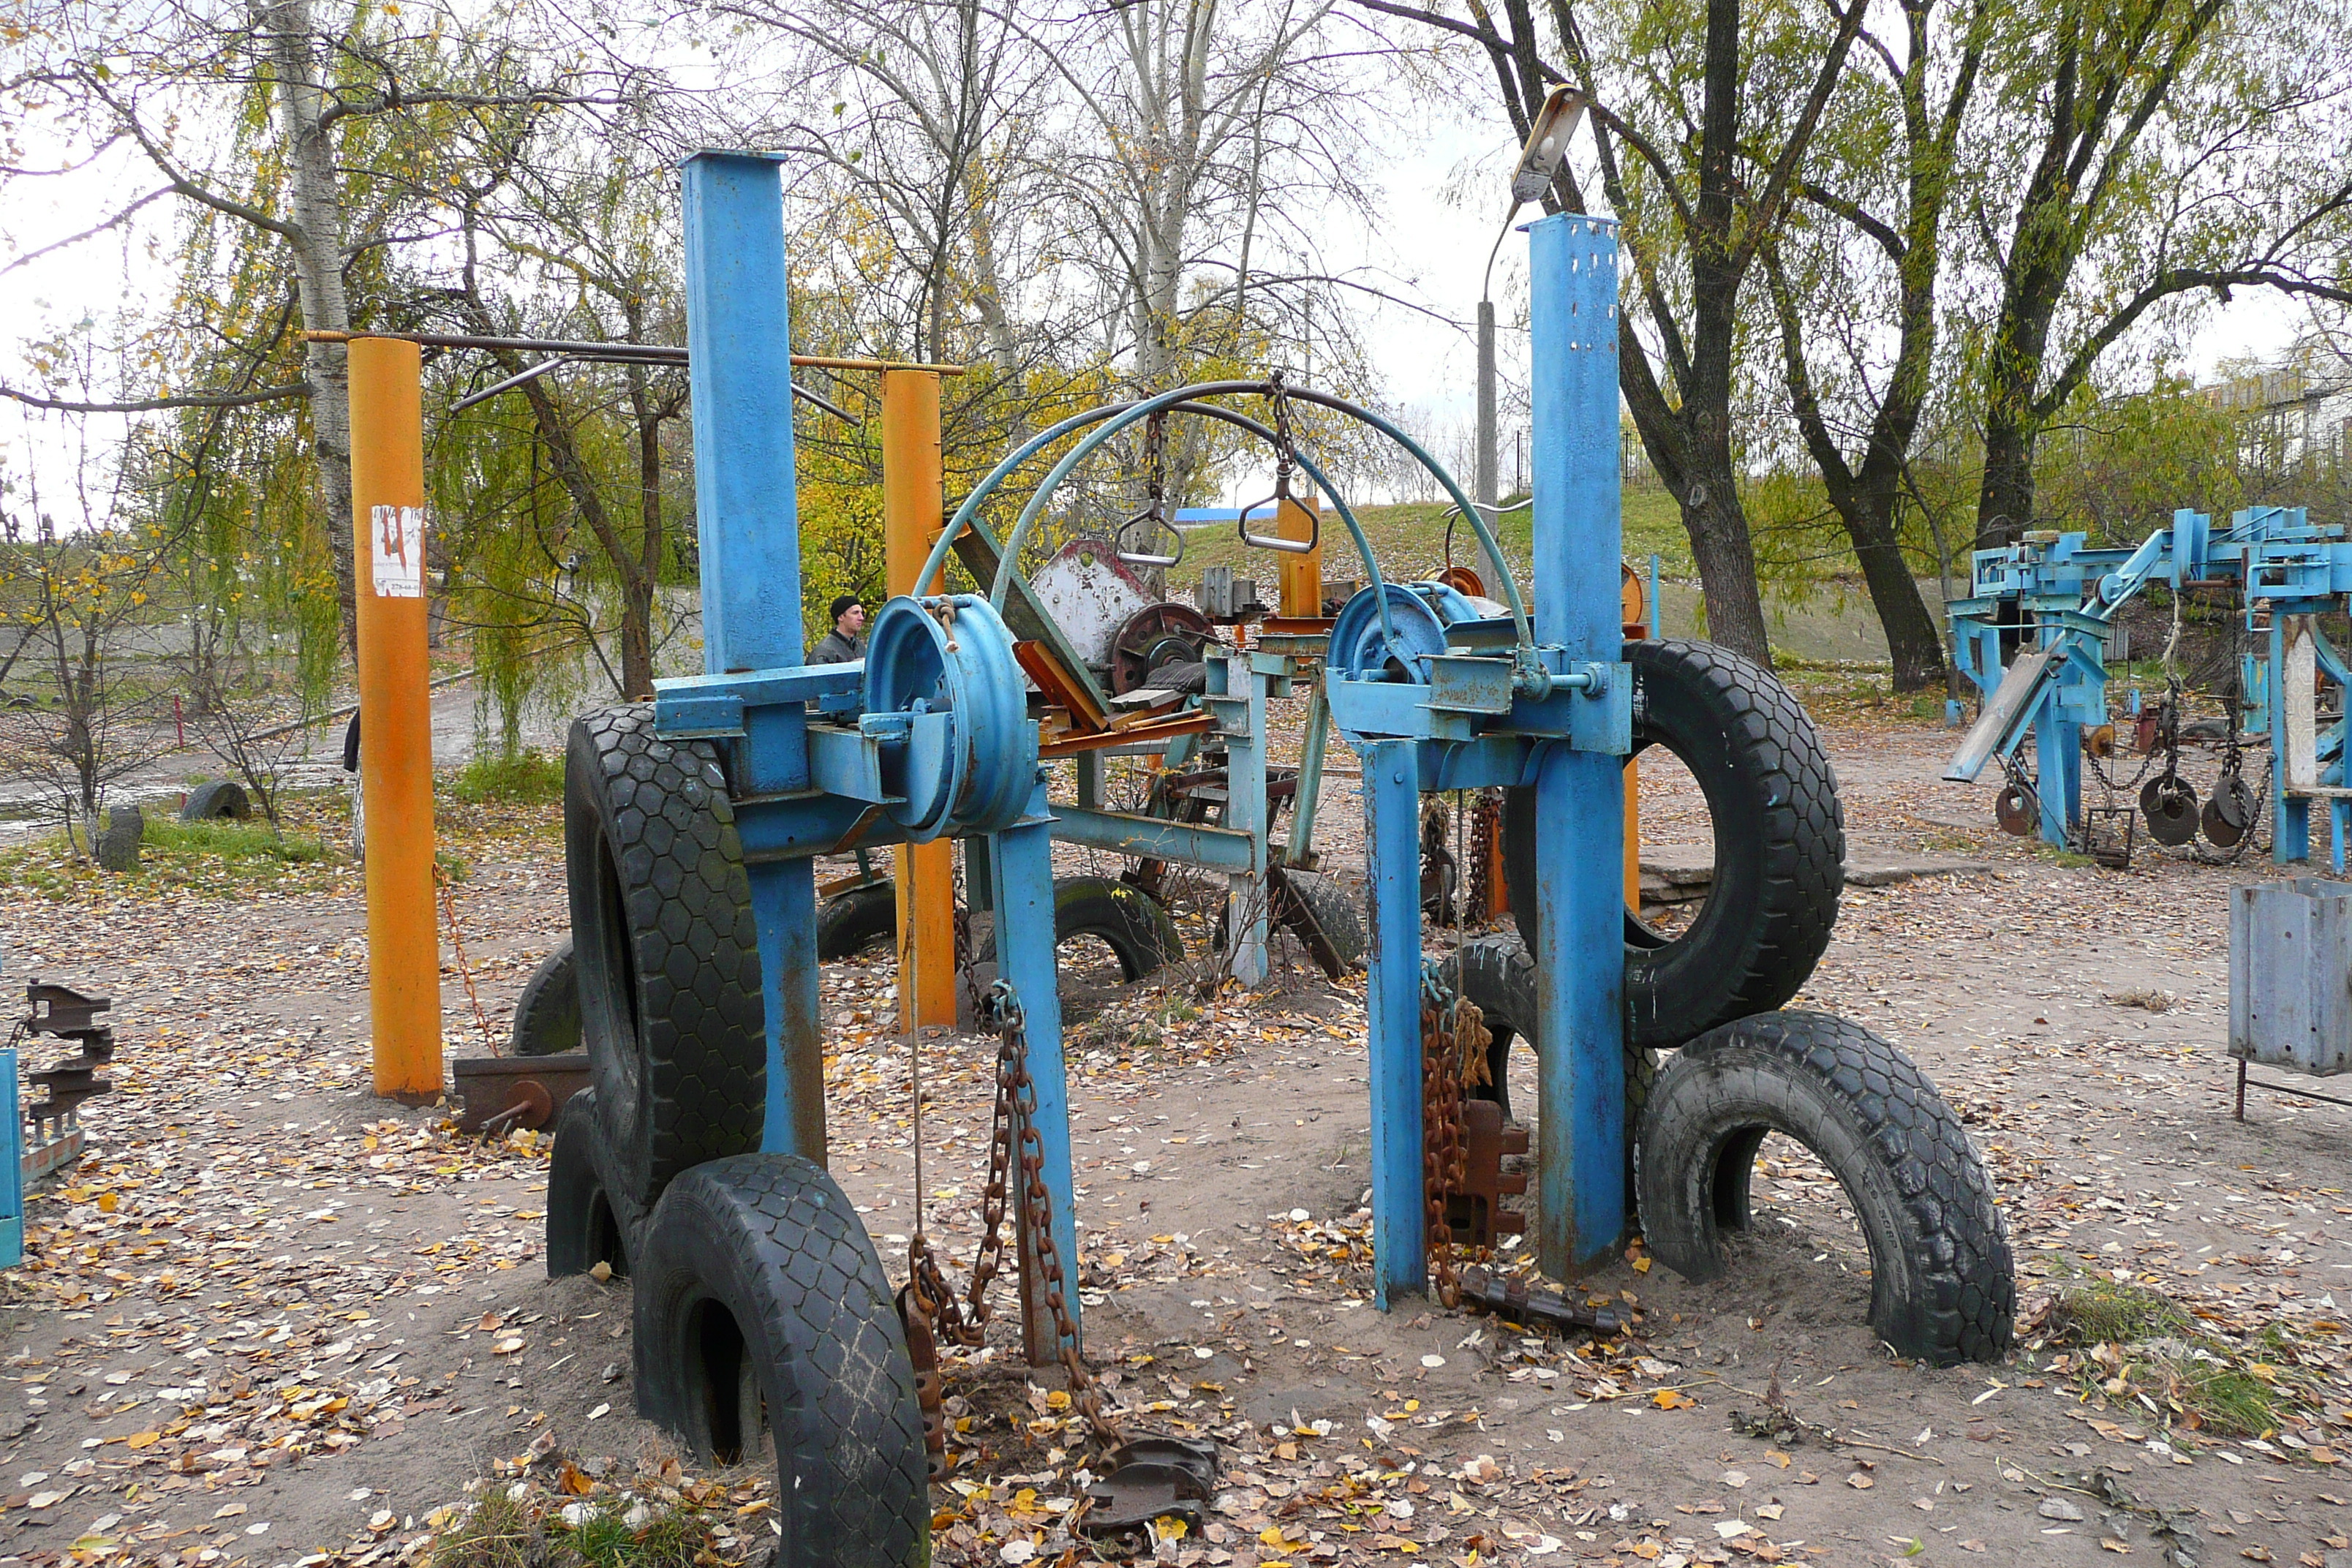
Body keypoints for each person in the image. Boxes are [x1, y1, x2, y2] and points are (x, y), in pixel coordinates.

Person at [812, 595, 867, 663]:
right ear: (841, 617)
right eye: (855, 613)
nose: (861, 618)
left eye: (862, 613)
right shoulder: (824, 653)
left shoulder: (860, 647)